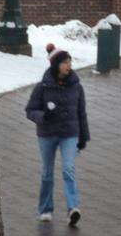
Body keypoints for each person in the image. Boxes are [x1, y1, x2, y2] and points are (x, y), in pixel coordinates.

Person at [25, 47, 91, 226]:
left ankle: (73, 209)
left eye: (70, 62)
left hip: (69, 134)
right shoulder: (42, 87)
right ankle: (45, 209)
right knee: (47, 172)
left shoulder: (76, 87)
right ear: (56, 65)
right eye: (64, 63)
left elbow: (81, 113)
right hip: (47, 134)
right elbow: (30, 111)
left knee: (68, 170)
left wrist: (83, 136)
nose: (68, 66)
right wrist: (43, 116)